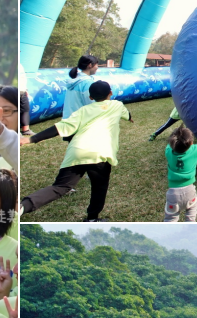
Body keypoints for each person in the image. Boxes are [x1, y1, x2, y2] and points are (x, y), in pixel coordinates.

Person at [20, 80, 131, 222]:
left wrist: (31, 139)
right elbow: (127, 114)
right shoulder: (117, 105)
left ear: (90, 97)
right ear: (110, 93)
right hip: (100, 154)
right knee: (99, 188)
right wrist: (130, 118)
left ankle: (23, 207)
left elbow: (59, 128)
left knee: (60, 187)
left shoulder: (83, 111)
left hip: (77, 151)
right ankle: (92, 218)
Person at [62, 55, 100, 122]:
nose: (97, 67)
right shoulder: (87, 82)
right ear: (90, 65)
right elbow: (90, 104)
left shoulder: (74, 79)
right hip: (78, 122)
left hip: (68, 120)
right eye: (96, 65)